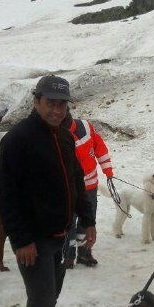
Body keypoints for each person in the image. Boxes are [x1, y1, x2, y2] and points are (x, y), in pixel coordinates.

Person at [0, 75, 94, 307]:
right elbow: (5, 195)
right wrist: (21, 240)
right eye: (51, 103)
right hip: (34, 241)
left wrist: (88, 219)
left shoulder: (64, 137)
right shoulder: (18, 139)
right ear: (36, 101)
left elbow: (76, 181)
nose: (57, 110)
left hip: (61, 236)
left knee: (48, 300)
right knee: (41, 303)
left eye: (62, 104)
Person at [61, 109, 114, 268]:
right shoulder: (55, 134)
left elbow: (100, 147)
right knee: (68, 223)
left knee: (87, 221)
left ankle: (84, 253)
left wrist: (108, 171)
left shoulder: (85, 126)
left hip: (90, 187)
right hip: (68, 190)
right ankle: (68, 256)